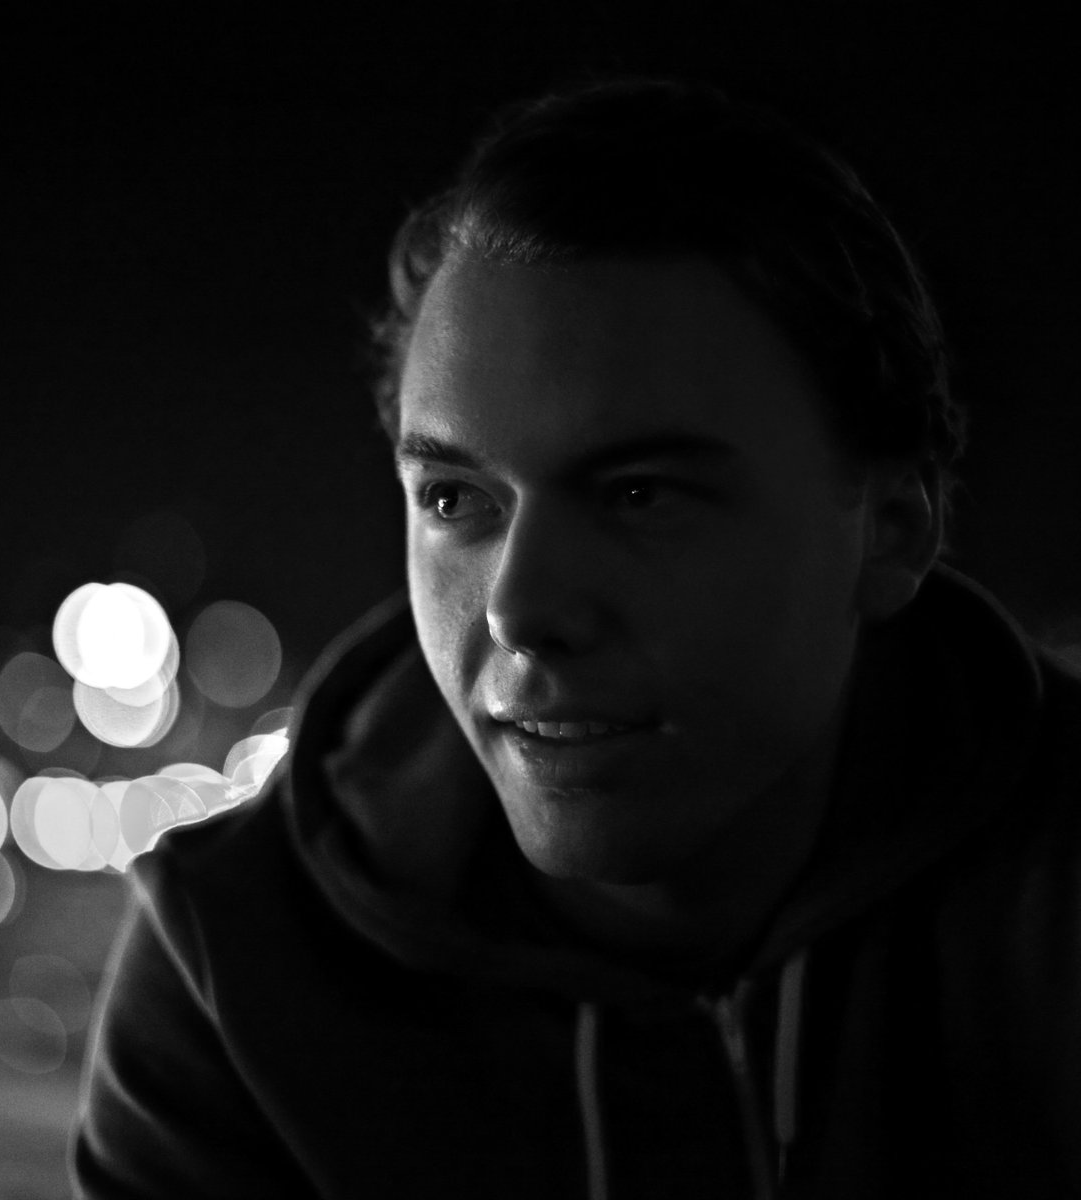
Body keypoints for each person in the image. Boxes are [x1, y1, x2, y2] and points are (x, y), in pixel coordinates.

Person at [71, 79, 1081, 1198]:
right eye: (455, 500)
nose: (521, 608)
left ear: (892, 529)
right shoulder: (238, 973)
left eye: (640, 494)